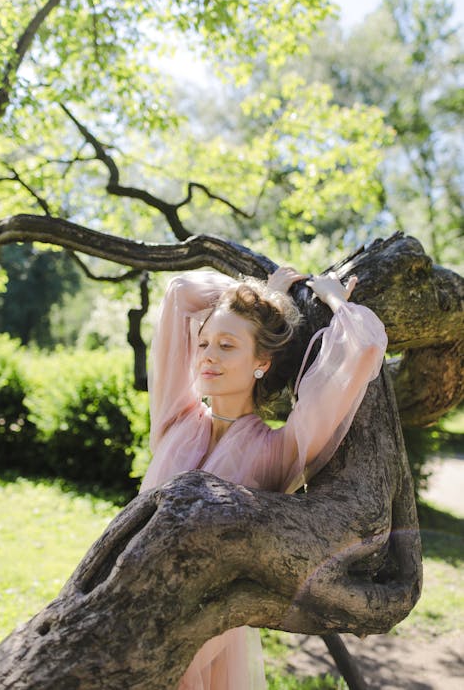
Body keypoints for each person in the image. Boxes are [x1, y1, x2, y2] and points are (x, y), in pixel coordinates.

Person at [140, 266, 388, 690]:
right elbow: (180, 292)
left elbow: (364, 349)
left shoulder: (278, 451)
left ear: (261, 362)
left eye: (226, 345)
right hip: (131, 596)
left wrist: (334, 300)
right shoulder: (174, 418)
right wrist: (263, 296)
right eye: (203, 343)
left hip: (202, 631)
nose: (207, 356)